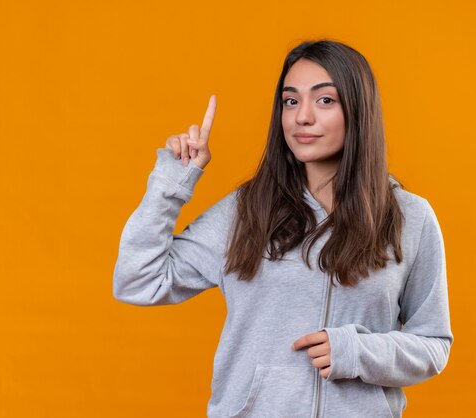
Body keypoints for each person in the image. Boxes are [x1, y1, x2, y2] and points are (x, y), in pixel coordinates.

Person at [113, 39, 453, 418]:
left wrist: (356, 352)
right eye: (291, 101)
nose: (301, 117)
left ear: (358, 111)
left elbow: (433, 343)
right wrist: (171, 182)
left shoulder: (410, 218)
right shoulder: (245, 211)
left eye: (325, 100)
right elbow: (138, 280)